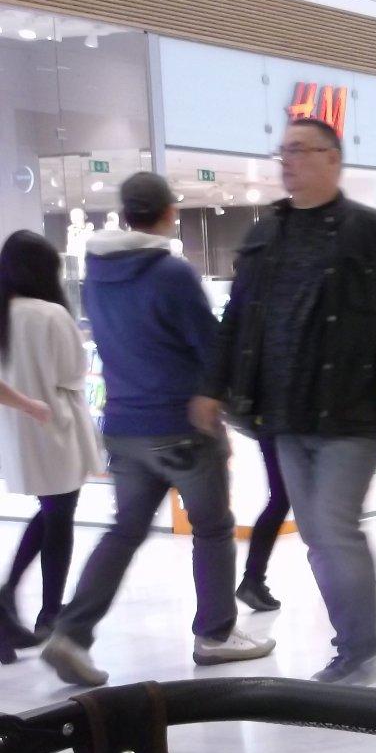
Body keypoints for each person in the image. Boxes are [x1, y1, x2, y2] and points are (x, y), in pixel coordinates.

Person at [193, 117, 376, 683]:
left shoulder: (373, 233)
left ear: (333, 159)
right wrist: (212, 386)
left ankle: (357, 646)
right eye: (284, 151)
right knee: (317, 533)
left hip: (354, 411)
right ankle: (354, 638)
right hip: (283, 415)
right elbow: (236, 320)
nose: (289, 161)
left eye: (301, 150)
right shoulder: (265, 235)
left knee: (332, 524)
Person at [41, 174, 273, 688]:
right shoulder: (171, 273)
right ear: (169, 212)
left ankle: (71, 632)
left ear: (126, 214)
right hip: (181, 423)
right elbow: (210, 346)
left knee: (125, 529)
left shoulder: (96, 275)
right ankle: (215, 633)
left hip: (124, 424)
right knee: (212, 526)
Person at [0, 232, 99, 662]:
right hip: (55, 424)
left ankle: (15, 602)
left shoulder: (5, 314)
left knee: (52, 512)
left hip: (20, 427)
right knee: (60, 516)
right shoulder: (52, 314)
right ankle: (47, 611)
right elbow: (73, 372)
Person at [235, 434, 288, 612]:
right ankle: (253, 579)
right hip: (288, 430)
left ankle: (253, 578)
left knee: (279, 501)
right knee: (281, 501)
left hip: (272, 428)